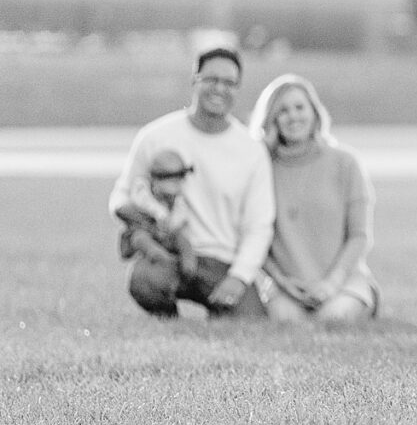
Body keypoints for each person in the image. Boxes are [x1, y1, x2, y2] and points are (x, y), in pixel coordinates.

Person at [109, 47, 275, 318]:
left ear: (237, 89)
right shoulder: (155, 136)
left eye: (229, 83)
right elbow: (121, 197)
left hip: (222, 262)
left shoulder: (251, 151)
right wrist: (152, 222)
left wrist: (240, 277)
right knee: (146, 281)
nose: (219, 88)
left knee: (251, 320)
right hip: (169, 255)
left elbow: (259, 226)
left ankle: (220, 311)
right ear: (195, 80)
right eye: (211, 79)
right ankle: (168, 321)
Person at [248, 74, 380, 325]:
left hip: (343, 281)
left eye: (300, 107)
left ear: (314, 113)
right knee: (288, 322)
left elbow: (359, 236)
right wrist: (282, 282)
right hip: (286, 285)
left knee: (333, 317)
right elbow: (256, 237)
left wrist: (331, 285)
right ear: (271, 119)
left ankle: (366, 299)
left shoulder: (346, 163)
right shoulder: (261, 169)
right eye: (282, 110)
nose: (293, 116)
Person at [113, 148, 198, 285]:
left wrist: (171, 223)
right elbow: (140, 200)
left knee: (183, 240)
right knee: (140, 238)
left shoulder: (178, 199)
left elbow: (182, 215)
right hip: (146, 231)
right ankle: (160, 257)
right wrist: (159, 212)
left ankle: (188, 267)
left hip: (166, 233)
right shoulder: (143, 188)